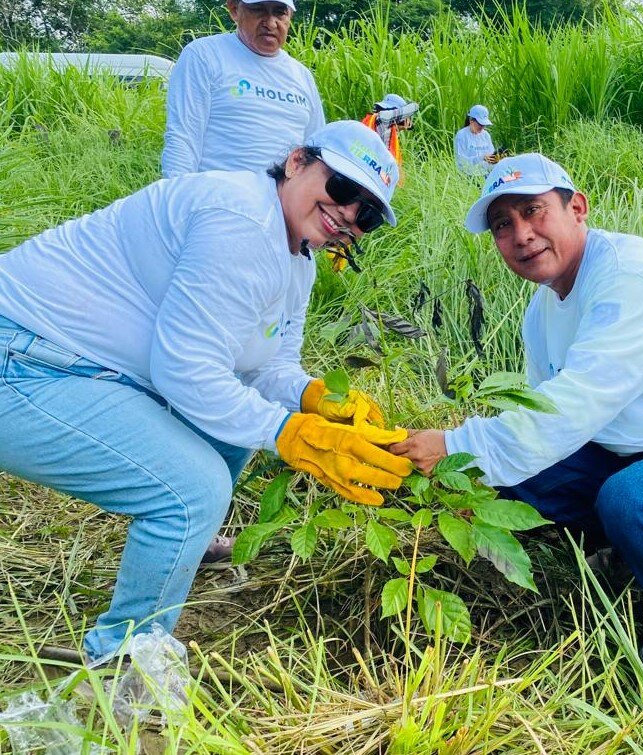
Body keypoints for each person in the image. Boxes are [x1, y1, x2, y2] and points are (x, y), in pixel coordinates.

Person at [0, 121, 412, 663]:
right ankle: (126, 655)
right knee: (193, 490)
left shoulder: (297, 259)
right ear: (296, 162)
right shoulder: (241, 218)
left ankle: (181, 541)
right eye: (342, 190)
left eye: (369, 215)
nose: (350, 215)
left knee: (244, 422)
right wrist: (289, 432)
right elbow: (186, 370)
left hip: (95, 368)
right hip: (28, 362)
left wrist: (313, 397)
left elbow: (266, 365)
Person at [392, 153, 643, 655]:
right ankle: (627, 558)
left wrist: (455, 444)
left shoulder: (629, 276)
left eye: (534, 210)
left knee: (633, 501)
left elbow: (574, 406)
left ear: (577, 208)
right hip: (622, 443)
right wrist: (464, 458)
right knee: (510, 481)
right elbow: (543, 414)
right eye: (502, 224)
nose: (521, 234)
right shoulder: (541, 310)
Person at [161, 0, 325, 177]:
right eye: (258, 10)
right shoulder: (204, 55)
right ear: (234, 10)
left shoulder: (302, 75)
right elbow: (182, 138)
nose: (270, 23)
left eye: (279, 13)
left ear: (290, 16)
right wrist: (178, 197)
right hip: (218, 198)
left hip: (284, 201)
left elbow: (315, 149)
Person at [362, 93, 418, 169]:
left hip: (365, 162)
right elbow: (414, 107)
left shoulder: (372, 119)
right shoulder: (384, 117)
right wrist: (412, 105)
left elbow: (384, 137)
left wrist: (399, 128)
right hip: (375, 168)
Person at [454, 104, 498, 176]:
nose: (482, 127)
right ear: (471, 120)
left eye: (484, 125)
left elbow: (491, 155)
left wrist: (497, 158)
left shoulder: (486, 135)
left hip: (487, 174)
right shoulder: (461, 135)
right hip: (468, 176)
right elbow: (461, 162)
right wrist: (482, 158)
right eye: (480, 124)